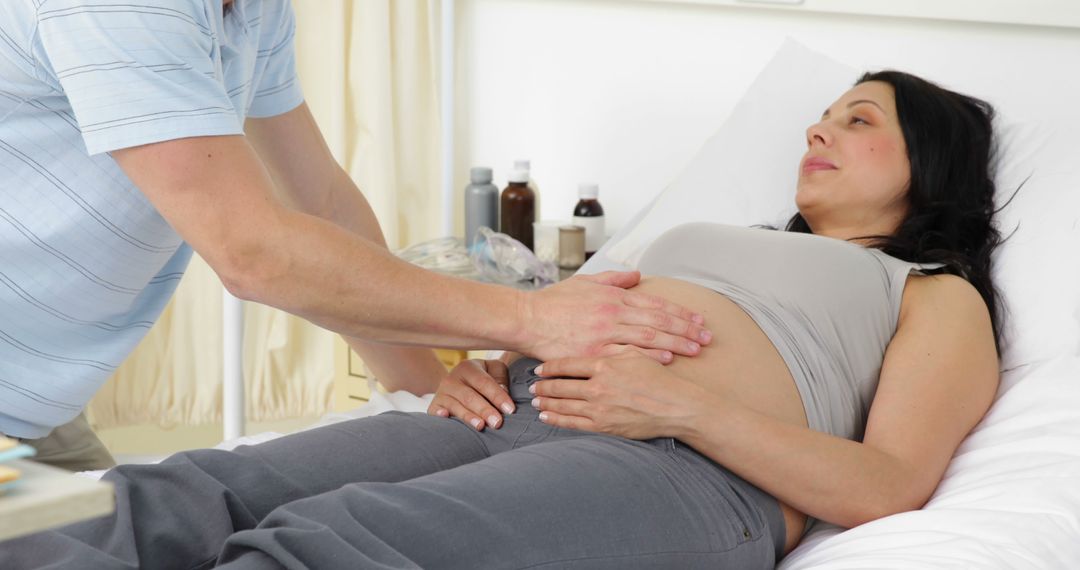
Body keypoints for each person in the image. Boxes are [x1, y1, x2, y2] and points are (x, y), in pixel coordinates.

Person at [0, 70, 1006, 569]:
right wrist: (476, 357)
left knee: (336, 545)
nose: (820, 125)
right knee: (190, 492)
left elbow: (887, 488)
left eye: (861, 119)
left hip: (683, 465)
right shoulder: (725, 232)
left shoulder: (929, 290)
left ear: (933, 163)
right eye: (826, 109)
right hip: (508, 407)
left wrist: (680, 409)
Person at [0, 0, 710, 471]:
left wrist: (426, 388)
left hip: (38, 403)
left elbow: (322, 200)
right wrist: (530, 318)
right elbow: (253, 251)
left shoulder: (251, 10)